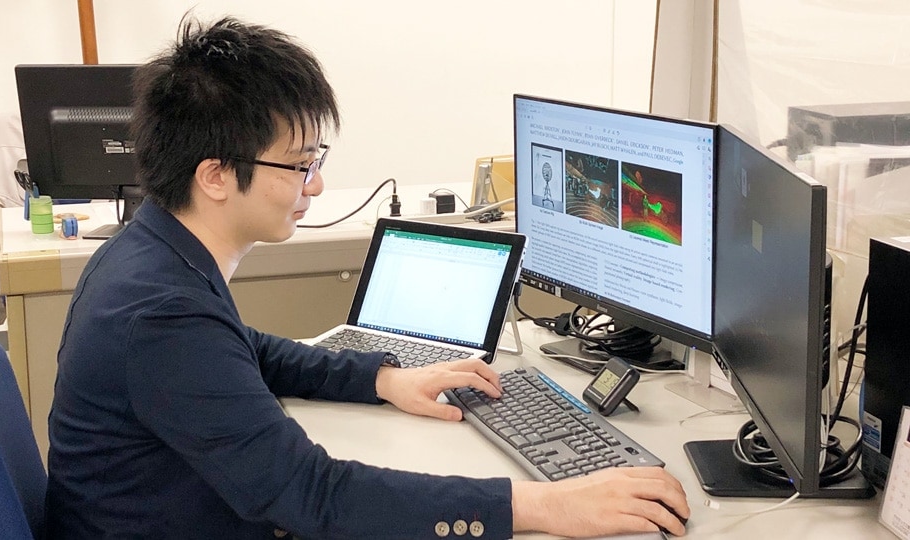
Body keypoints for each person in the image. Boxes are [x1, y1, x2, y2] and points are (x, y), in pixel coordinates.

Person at [44, 15, 690, 539]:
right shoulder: (161, 314)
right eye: (299, 166)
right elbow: (312, 496)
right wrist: (543, 504)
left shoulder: (150, 253)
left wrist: (382, 379)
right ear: (214, 176)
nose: (316, 185)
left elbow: (243, 351)